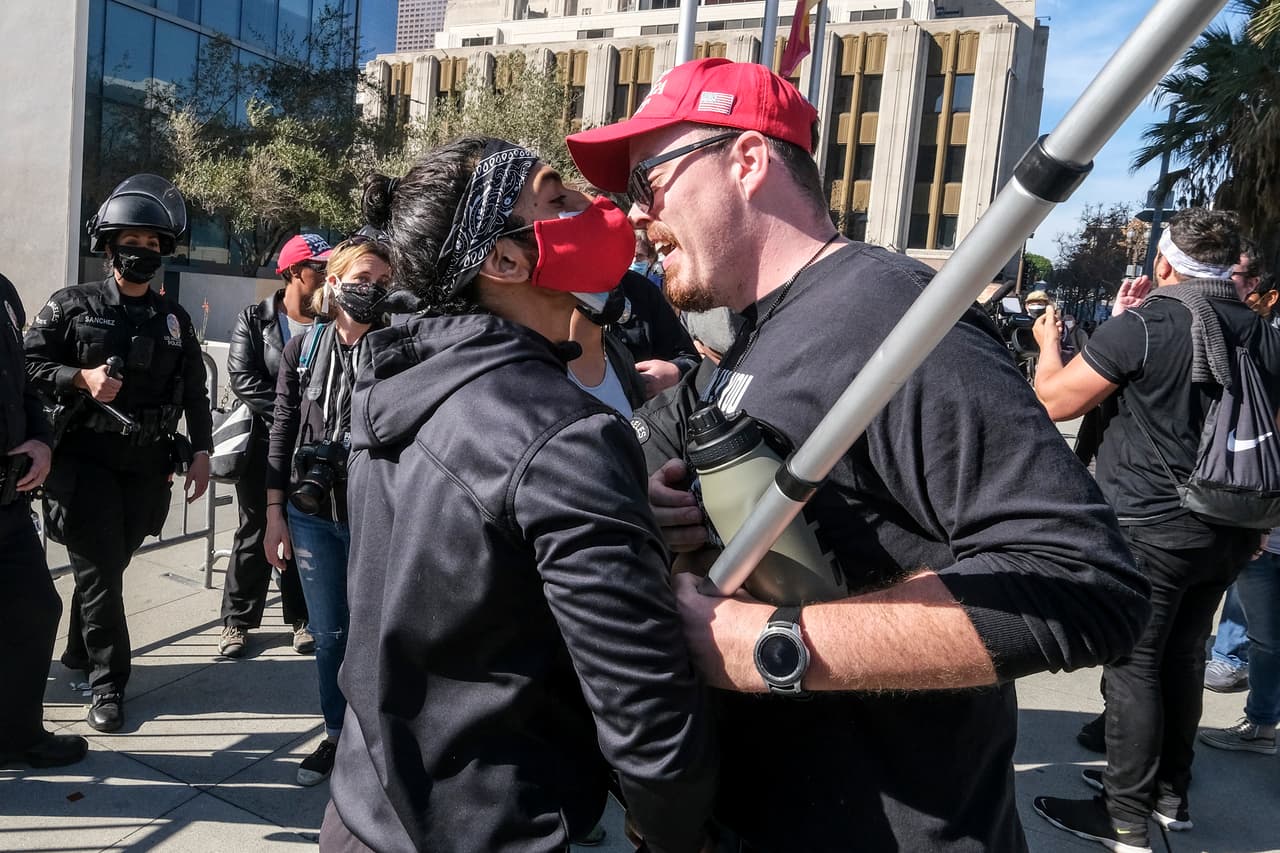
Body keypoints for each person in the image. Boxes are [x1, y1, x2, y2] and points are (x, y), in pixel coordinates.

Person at [566, 58, 1148, 853]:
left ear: (747, 161)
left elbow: (1086, 582)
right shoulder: (758, 329)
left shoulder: (892, 316)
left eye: (648, 182)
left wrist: (767, 645)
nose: (637, 214)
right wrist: (678, 504)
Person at [319, 138, 716, 853]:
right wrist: (676, 829)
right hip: (495, 828)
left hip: (365, 813)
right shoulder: (563, 431)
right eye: (556, 198)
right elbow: (645, 712)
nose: (592, 208)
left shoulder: (394, 383)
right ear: (503, 261)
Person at [1032, 209, 1280, 851]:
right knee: (1184, 655)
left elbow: (1054, 401)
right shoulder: (1263, 332)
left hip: (1151, 526)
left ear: (1164, 262)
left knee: (1134, 664)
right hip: (1232, 525)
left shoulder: (1145, 326)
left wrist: (1047, 345)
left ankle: (1124, 819)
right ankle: (1170, 796)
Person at [24, 174, 212, 734]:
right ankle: (108, 684)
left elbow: (196, 391)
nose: (142, 251)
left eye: (153, 243)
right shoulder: (70, 305)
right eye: (132, 241)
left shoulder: (174, 320)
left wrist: (202, 451)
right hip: (83, 463)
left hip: (147, 465)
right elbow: (28, 365)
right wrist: (79, 377)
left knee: (110, 564)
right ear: (109, 247)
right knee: (104, 574)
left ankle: (78, 649)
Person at [264, 236, 391, 787]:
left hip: (375, 511)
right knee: (329, 634)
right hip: (311, 513)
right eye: (363, 278)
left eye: (384, 283)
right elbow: (282, 430)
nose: (373, 290)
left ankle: (377, 743)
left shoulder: (396, 348)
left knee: (377, 631)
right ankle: (337, 735)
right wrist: (274, 513)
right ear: (333, 281)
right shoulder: (304, 348)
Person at [218, 234, 329, 658]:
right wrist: (290, 413)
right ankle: (237, 621)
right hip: (264, 442)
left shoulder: (330, 321)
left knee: (304, 528)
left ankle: (302, 619)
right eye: (318, 267)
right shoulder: (256, 318)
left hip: (313, 447)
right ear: (293, 272)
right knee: (255, 527)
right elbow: (242, 378)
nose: (325, 274)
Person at [0, 273, 88, 769]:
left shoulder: (4, 291)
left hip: (8, 501)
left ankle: (17, 735)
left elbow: (24, 386)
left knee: (35, 608)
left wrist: (40, 440)